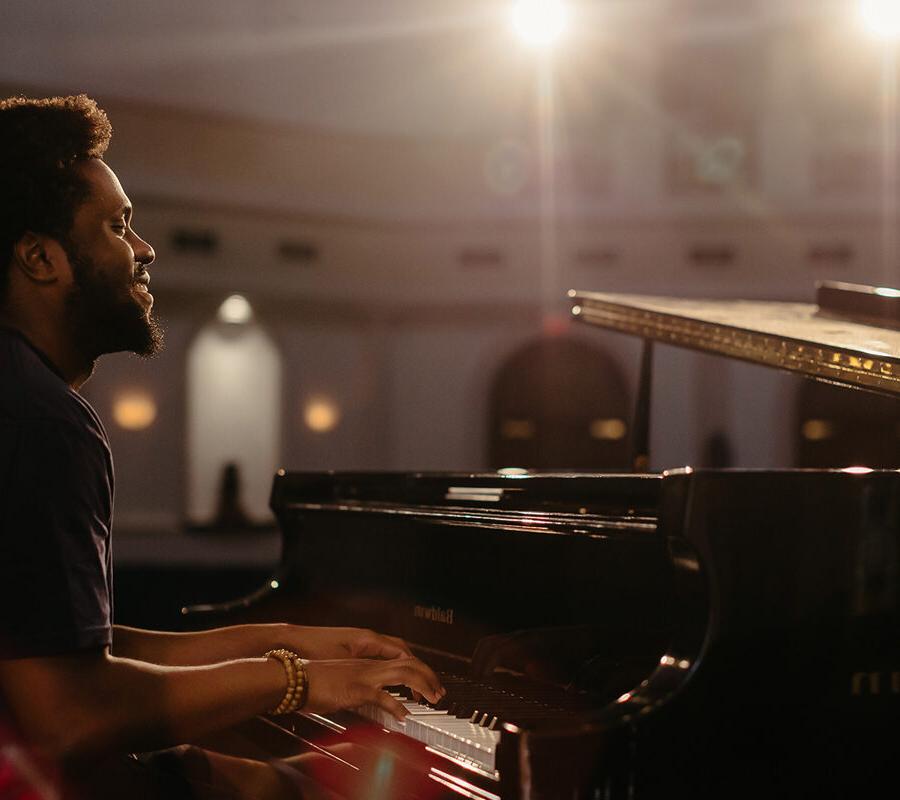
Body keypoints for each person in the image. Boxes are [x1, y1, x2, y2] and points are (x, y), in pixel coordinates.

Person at [0, 95, 444, 799]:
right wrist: (296, 682)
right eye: (116, 226)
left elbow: (75, 652)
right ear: (39, 258)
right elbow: (69, 715)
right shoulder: (42, 420)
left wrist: (292, 644)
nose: (143, 249)